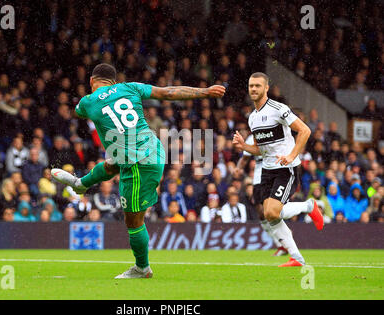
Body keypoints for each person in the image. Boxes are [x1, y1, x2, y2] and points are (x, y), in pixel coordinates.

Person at [52, 63, 225, 278]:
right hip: (153, 150)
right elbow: (167, 92)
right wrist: (205, 92)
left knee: (133, 221)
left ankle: (142, 268)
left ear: (91, 81)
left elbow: (78, 113)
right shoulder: (130, 87)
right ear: (114, 80)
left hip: (137, 163)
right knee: (113, 162)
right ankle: (81, 184)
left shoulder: (87, 101)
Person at [233, 72, 323, 267]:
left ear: (266, 88)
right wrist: (243, 146)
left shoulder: (278, 109)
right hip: (267, 169)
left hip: (286, 168)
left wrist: (291, 155)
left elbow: (305, 130)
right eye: (251, 86)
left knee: (273, 212)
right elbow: (259, 149)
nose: (254, 89)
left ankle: (309, 206)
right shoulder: (252, 118)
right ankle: (297, 258)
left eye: (258, 85)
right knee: (269, 215)